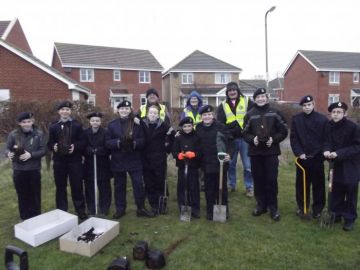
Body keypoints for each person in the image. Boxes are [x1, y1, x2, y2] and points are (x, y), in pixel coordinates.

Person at [243, 88, 288, 221]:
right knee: (258, 179)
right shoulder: (250, 114)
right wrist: (252, 139)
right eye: (258, 97)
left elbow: (284, 130)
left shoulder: (275, 113)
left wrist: (274, 140)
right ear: (255, 99)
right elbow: (244, 132)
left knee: (271, 180)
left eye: (263, 96)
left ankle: (273, 207)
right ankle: (261, 205)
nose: (261, 99)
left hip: (271, 152)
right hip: (255, 152)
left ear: (266, 98)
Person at [106, 100, 154, 218]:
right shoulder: (112, 125)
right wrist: (118, 142)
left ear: (130, 110)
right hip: (118, 160)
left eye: (127, 109)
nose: (124, 111)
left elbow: (143, 140)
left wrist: (133, 144)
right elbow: (107, 142)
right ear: (118, 110)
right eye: (122, 108)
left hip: (134, 159)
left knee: (138, 185)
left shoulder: (136, 123)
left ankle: (141, 208)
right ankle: (120, 209)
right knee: (119, 186)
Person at [323, 102, 360, 231]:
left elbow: (357, 146)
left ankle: (349, 218)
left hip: (351, 165)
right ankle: (335, 214)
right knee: (335, 190)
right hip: (335, 165)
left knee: (350, 191)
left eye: (339, 112)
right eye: (334, 112)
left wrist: (339, 153)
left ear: (345, 113)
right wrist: (326, 150)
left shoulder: (353, 127)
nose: (336, 114)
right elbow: (325, 141)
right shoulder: (328, 126)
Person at [47, 101, 87, 219]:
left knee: (77, 186)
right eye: (63, 109)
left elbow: (83, 142)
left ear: (70, 112)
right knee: (60, 186)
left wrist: (76, 146)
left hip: (74, 161)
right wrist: (53, 146)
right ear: (59, 111)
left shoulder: (77, 125)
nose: (65, 111)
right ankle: (62, 211)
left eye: (67, 109)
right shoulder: (54, 126)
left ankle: (80, 210)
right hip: (59, 162)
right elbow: (49, 143)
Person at [290, 95, 327, 219]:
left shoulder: (322, 120)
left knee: (318, 185)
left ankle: (317, 209)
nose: (307, 107)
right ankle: (303, 207)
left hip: (317, 158)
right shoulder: (296, 120)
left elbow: (325, 139)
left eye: (309, 104)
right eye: (305, 105)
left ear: (313, 104)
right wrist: (299, 152)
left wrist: (320, 153)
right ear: (302, 107)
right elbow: (294, 139)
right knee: (301, 185)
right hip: (302, 159)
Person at [6, 112, 46, 220]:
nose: (27, 124)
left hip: (33, 169)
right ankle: (24, 217)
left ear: (32, 121)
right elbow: (7, 148)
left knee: (35, 195)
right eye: (24, 122)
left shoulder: (39, 133)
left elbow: (43, 150)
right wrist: (8, 154)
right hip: (19, 170)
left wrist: (31, 154)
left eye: (29, 121)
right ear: (19, 123)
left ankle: (36, 217)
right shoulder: (13, 134)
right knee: (22, 194)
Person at [217, 81, 254, 196]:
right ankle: (231, 185)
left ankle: (249, 187)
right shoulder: (222, 105)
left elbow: (253, 117)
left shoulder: (247, 101)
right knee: (230, 164)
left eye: (234, 90)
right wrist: (229, 130)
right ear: (227, 93)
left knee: (247, 165)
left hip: (245, 138)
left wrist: (247, 129)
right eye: (230, 91)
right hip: (231, 139)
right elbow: (220, 123)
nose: (232, 92)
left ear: (238, 91)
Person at [196, 105, 231, 220]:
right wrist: (179, 134)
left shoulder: (220, 126)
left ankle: (224, 209)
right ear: (201, 117)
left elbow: (230, 141)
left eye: (209, 114)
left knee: (222, 188)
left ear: (213, 115)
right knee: (209, 188)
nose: (207, 117)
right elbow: (190, 137)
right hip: (206, 163)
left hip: (220, 163)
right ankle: (210, 210)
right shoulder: (198, 128)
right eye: (204, 115)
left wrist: (229, 153)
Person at [141, 104, 175, 215]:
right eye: (151, 112)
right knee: (149, 182)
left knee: (160, 181)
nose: (153, 115)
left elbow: (172, 137)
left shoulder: (164, 125)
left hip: (159, 158)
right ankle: (153, 204)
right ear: (147, 114)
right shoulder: (142, 124)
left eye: (155, 113)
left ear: (158, 114)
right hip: (145, 158)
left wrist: (167, 149)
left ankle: (162, 204)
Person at [83, 112, 112, 216]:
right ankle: (91, 208)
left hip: (103, 163)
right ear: (90, 122)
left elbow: (108, 146)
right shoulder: (85, 132)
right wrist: (88, 150)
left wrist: (100, 150)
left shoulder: (106, 132)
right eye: (93, 121)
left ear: (100, 122)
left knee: (104, 187)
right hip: (89, 164)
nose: (95, 122)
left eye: (97, 120)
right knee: (89, 187)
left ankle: (104, 208)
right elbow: (82, 146)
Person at [172, 117, 201, 218]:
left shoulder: (197, 136)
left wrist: (194, 154)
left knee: (194, 187)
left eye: (189, 126)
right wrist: (178, 155)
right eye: (185, 126)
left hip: (193, 166)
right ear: (182, 127)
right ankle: (183, 206)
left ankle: (195, 209)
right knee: (182, 187)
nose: (187, 128)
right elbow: (174, 150)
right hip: (182, 166)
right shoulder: (178, 137)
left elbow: (200, 151)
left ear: (192, 126)